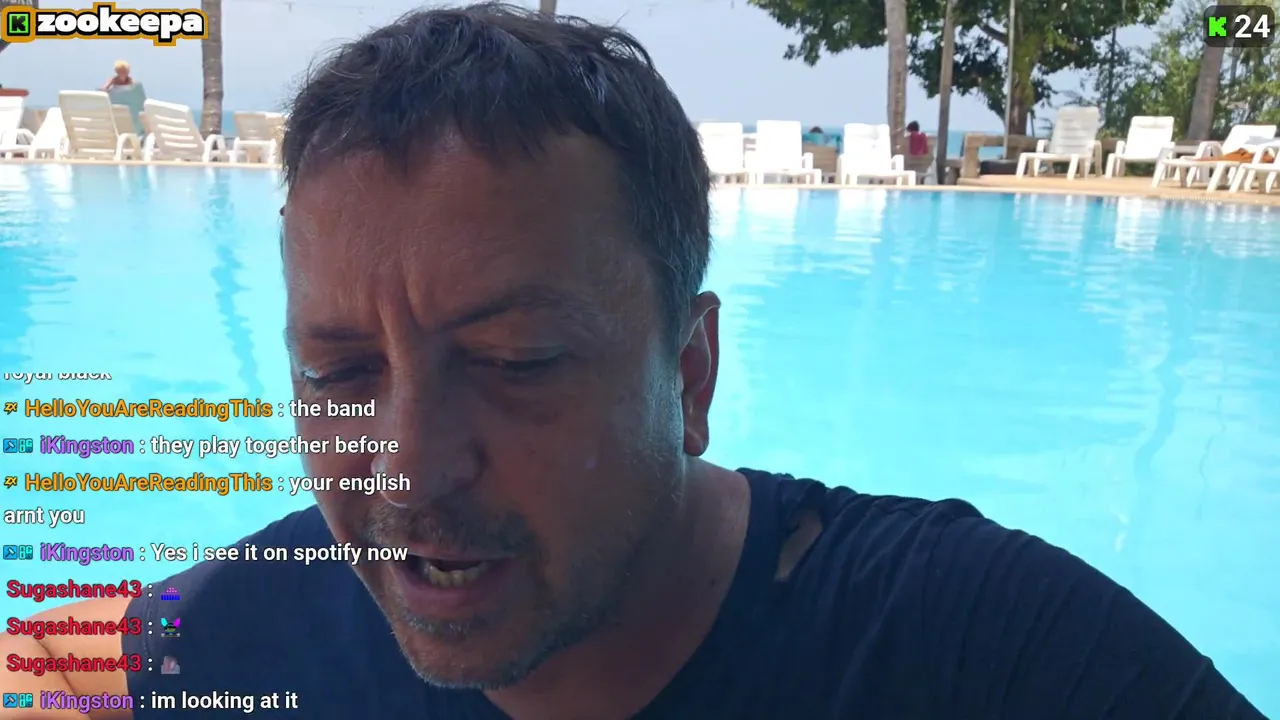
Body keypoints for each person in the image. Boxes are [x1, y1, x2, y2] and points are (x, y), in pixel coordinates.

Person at [2, 5, 1264, 719]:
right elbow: (47, 667)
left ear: (690, 373)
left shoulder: (971, 652)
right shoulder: (259, 627)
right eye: (339, 375)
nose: (408, 471)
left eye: (515, 360)